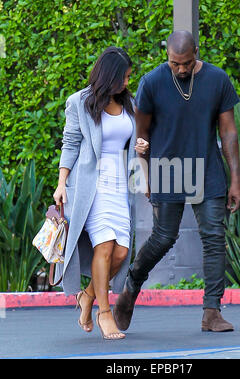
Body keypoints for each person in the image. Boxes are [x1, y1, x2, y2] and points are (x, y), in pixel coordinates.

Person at [113, 31, 240, 333]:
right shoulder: (152, 82)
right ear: (167, 57)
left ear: (196, 52)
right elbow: (141, 135)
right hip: (166, 168)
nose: (182, 69)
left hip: (206, 168)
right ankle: (131, 288)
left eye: (186, 63)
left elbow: (228, 131)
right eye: (175, 64)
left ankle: (212, 311)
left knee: (214, 238)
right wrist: (145, 175)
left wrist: (235, 180)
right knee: (163, 238)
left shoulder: (217, 79)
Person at [53, 46, 148, 340]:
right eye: (124, 77)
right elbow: (70, 143)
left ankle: (87, 296)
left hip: (120, 185)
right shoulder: (79, 102)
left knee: (120, 252)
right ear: (109, 76)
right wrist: (61, 182)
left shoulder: (129, 103)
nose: (127, 83)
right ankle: (104, 313)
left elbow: (133, 141)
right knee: (104, 246)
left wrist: (141, 147)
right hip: (89, 187)